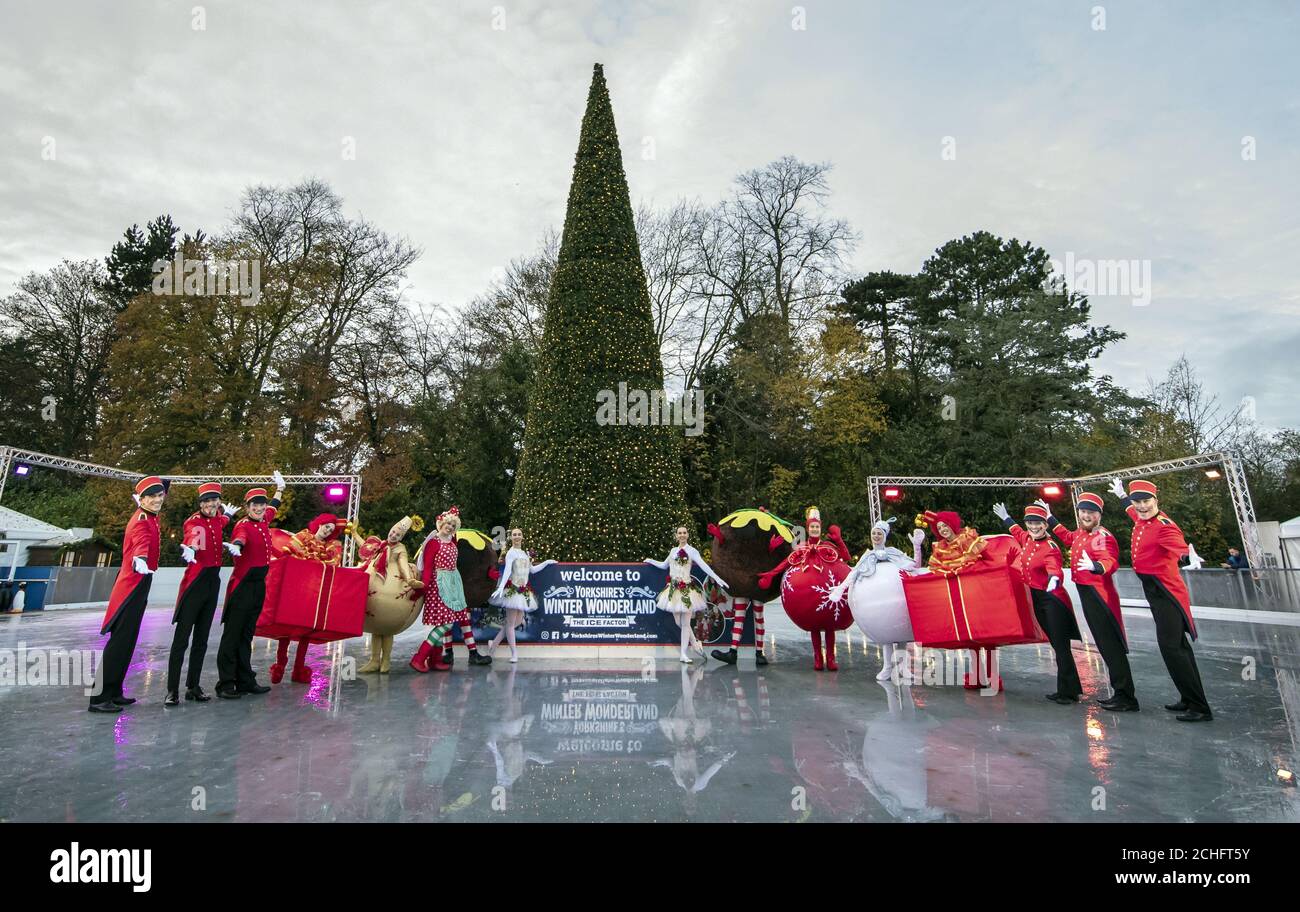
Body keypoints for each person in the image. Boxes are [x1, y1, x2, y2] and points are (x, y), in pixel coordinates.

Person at [1109, 477, 1212, 722]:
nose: (1141, 507)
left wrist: (1189, 557)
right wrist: (1123, 496)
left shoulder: (1164, 525)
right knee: (1177, 648)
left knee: (1172, 648)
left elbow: (1179, 546)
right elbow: (1131, 512)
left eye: (1146, 501)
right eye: (1138, 503)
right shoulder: (1141, 517)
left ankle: (1199, 707)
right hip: (1154, 590)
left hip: (1166, 592)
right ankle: (1189, 698)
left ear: (1156, 500)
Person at [1040, 493, 1137, 712]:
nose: (1086, 515)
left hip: (1099, 595)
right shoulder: (1082, 533)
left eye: (1090, 512)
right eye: (1083, 512)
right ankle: (1121, 693)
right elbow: (1067, 537)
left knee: (1111, 646)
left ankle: (1126, 697)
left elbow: (1109, 559)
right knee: (1104, 646)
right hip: (1088, 592)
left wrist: (1096, 566)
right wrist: (1051, 518)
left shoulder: (1100, 535)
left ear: (1099, 515)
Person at [90, 475, 166, 713]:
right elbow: (140, 542)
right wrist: (141, 559)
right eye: (151, 496)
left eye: (160, 496)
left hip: (141, 581)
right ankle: (99, 698)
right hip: (131, 585)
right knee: (119, 643)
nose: (156, 500)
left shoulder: (152, 517)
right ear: (141, 499)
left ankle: (114, 691)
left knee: (128, 642)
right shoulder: (143, 519)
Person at [994, 502, 1081, 704]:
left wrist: (1054, 578)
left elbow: (1055, 568)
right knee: (1056, 644)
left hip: (1053, 599)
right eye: (1030, 523)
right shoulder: (1027, 539)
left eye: (1038, 523)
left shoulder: (1050, 547)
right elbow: (1016, 532)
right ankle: (1069, 689)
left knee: (1061, 646)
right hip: (1038, 597)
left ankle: (1068, 692)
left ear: (1046, 525)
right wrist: (1006, 517)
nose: (1034, 527)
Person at [166, 482, 238, 706]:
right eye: (206, 501)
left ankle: (193, 687)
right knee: (182, 640)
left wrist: (227, 514)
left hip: (212, 582)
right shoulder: (194, 522)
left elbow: (221, 521)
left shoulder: (218, 519)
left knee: (202, 640)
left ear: (219, 501)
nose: (210, 504)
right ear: (200, 504)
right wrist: (192, 547)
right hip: (196, 583)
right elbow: (194, 537)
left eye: (214, 500)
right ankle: (172, 690)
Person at [215, 472, 284, 699]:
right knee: (232, 636)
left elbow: (274, 506)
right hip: (242, 587)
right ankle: (225, 684)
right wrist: (237, 545)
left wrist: (280, 489)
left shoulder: (264, 519)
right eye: (255, 505)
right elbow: (240, 536)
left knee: (246, 635)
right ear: (247, 507)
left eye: (261, 504)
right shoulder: (243, 525)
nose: (260, 508)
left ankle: (245, 680)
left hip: (257, 586)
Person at [758, 507, 853, 671]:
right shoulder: (802, 547)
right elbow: (787, 562)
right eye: (812, 527)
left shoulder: (827, 546)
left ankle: (830, 658)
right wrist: (771, 574)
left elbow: (846, 557)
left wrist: (839, 540)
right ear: (808, 529)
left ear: (820, 529)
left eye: (817, 527)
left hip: (829, 595)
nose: (814, 529)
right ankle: (818, 658)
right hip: (809, 598)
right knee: (815, 627)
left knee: (830, 628)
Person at [829, 517, 923, 681]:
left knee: (901, 636)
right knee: (885, 635)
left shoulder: (893, 553)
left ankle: (903, 667)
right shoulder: (867, 557)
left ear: (885, 536)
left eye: (879, 533)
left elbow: (915, 566)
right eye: (874, 533)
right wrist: (840, 589)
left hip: (897, 602)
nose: (876, 536)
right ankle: (887, 667)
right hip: (876, 607)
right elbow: (853, 574)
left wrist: (916, 546)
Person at [914, 509, 999, 690]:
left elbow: (989, 561)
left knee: (987, 637)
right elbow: (935, 572)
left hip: (978, 593)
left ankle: (993, 677)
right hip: (960, 596)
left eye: (945, 525)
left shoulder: (967, 538)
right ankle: (977, 675)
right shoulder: (941, 548)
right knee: (971, 638)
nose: (943, 530)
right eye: (939, 527)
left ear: (952, 524)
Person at [270, 512, 345, 685]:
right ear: (319, 523)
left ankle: (298, 668)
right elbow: (288, 554)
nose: (327, 531)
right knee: (286, 629)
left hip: (312, 593)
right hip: (295, 589)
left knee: (305, 632)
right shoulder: (303, 536)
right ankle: (280, 665)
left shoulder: (330, 548)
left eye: (331, 530)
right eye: (326, 526)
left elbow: (333, 565)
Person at [645, 526, 729, 664]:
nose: (682, 535)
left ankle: (683, 654)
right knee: (679, 622)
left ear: (687, 535)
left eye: (684, 533)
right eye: (679, 533)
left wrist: (717, 578)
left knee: (685, 624)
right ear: (676, 536)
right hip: (673, 590)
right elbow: (664, 565)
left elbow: (704, 566)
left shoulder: (692, 551)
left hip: (686, 590)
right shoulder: (673, 551)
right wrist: (651, 561)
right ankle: (695, 644)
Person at [354, 515, 425, 674]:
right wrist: (354, 533)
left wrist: (409, 579)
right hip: (374, 594)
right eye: (393, 532)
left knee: (387, 629)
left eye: (397, 535)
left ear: (401, 537)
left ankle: (385, 660)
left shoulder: (400, 549)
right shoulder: (380, 545)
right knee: (376, 629)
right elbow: (364, 547)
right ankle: (374, 660)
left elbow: (403, 564)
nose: (393, 535)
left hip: (392, 591)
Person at [485, 528, 555, 663]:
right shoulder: (511, 553)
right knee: (511, 623)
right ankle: (514, 654)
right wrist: (500, 587)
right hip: (512, 590)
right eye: (514, 535)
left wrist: (546, 562)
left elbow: (532, 570)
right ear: (511, 537)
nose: (517, 536)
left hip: (523, 592)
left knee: (516, 622)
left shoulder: (524, 554)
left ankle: (493, 645)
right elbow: (506, 571)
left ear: (522, 537)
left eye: (519, 534)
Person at [410, 507, 466, 673]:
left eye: (452, 525)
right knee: (446, 623)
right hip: (439, 584)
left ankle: (435, 660)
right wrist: (424, 586)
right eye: (447, 523)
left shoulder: (452, 541)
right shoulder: (434, 542)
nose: (449, 527)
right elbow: (427, 567)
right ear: (441, 523)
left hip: (453, 582)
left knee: (444, 623)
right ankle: (419, 657)